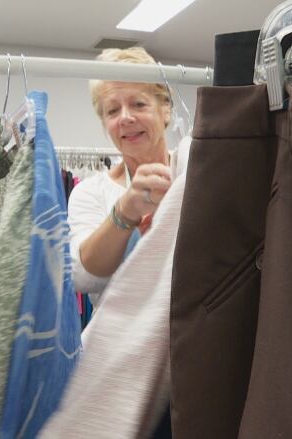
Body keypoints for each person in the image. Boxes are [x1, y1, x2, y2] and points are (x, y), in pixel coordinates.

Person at [68, 47, 175, 308]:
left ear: (166, 111)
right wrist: (125, 212)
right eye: (113, 111)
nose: (126, 118)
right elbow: (83, 277)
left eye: (139, 104)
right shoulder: (91, 192)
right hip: (121, 342)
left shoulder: (193, 172)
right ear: (104, 123)